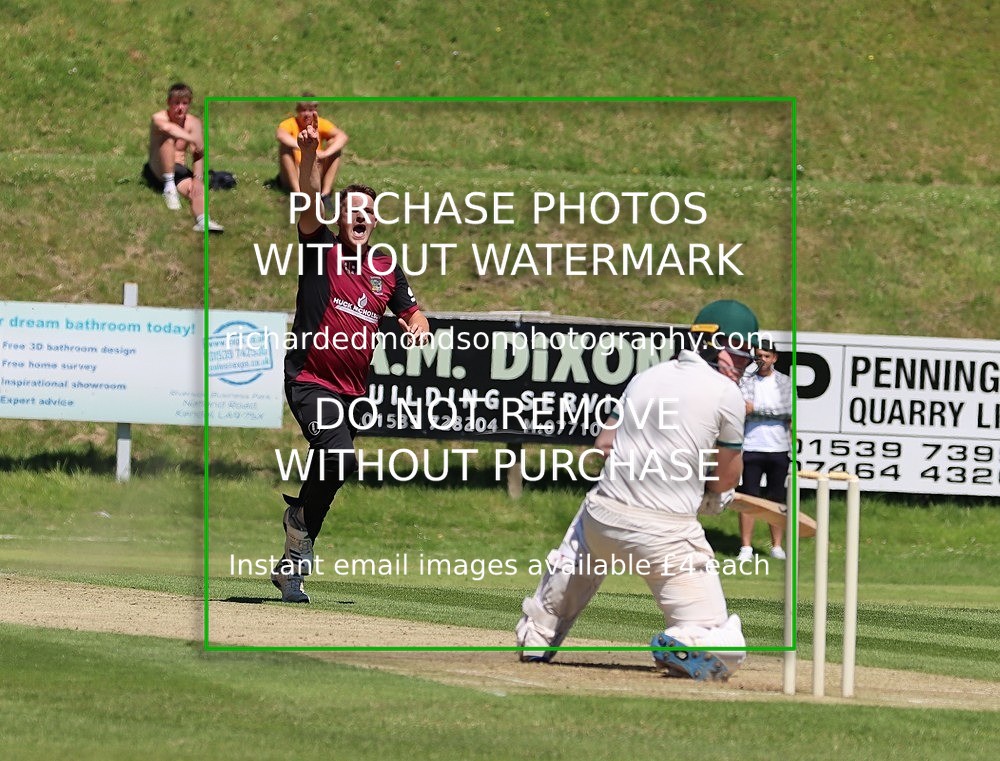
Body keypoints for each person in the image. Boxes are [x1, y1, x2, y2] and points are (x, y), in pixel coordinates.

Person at [515, 300, 760, 680]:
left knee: (587, 529)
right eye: (739, 357)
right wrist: (713, 495)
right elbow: (727, 478)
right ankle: (688, 639)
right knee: (725, 647)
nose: (742, 367)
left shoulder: (647, 376)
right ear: (715, 344)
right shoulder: (727, 396)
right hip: (664, 534)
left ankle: (538, 633)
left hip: (603, 517)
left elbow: (605, 444)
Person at [270, 114, 429, 603]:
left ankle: (295, 546)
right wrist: (310, 152)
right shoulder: (320, 248)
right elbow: (307, 200)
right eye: (351, 209)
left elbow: (413, 312)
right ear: (340, 218)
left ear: (374, 221)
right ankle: (299, 534)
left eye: (366, 211)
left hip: (351, 390)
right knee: (337, 455)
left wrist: (418, 326)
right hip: (310, 379)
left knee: (334, 468)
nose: (358, 216)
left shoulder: (387, 269)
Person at [736, 338, 793, 562]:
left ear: (775, 358)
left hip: (778, 447)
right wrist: (766, 411)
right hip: (752, 445)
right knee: (749, 497)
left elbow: (786, 411)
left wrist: (758, 409)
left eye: (766, 356)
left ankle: (777, 546)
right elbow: (743, 408)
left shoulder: (784, 382)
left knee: (776, 498)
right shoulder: (747, 380)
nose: (762, 360)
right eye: (758, 355)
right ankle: (746, 547)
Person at [143, 82, 224, 233]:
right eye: (176, 103)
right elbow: (168, 128)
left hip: (179, 171)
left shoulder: (194, 123)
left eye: (184, 103)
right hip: (157, 169)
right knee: (167, 138)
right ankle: (168, 188)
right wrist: (192, 138)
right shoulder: (159, 117)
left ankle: (202, 220)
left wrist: (198, 179)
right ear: (169, 103)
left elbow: (198, 153)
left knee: (197, 190)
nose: (180, 107)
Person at [275, 96, 348, 210]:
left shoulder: (321, 123)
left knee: (334, 145)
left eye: (310, 110)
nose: (307, 114)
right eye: (303, 110)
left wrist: (325, 153)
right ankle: (298, 195)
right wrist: (304, 147)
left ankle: (325, 194)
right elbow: (280, 135)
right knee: (284, 146)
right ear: (297, 111)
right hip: (295, 171)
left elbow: (342, 137)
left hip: (316, 170)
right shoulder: (289, 123)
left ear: (316, 110)